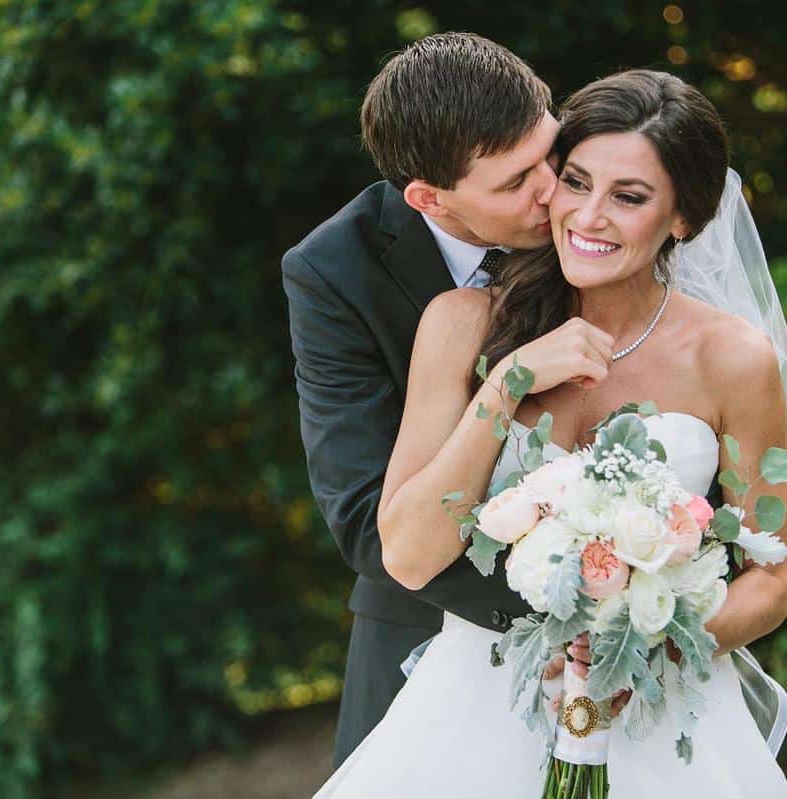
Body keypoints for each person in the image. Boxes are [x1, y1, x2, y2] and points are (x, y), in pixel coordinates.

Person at [311, 68, 787, 797]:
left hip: (659, 718)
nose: (587, 215)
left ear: (684, 219)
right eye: (574, 181)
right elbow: (409, 554)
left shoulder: (734, 358)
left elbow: (772, 579)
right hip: (475, 710)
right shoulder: (462, 323)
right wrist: (505, 387)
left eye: (629, 197)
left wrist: (647, 647)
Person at [281, 32, 560, 766]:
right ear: (428, 198)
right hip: (426, 639)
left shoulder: (595, 201)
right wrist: (559, 609)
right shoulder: (333, 273)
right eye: (514, 182)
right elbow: (369, 525)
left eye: (549, 153)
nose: (553, 191)